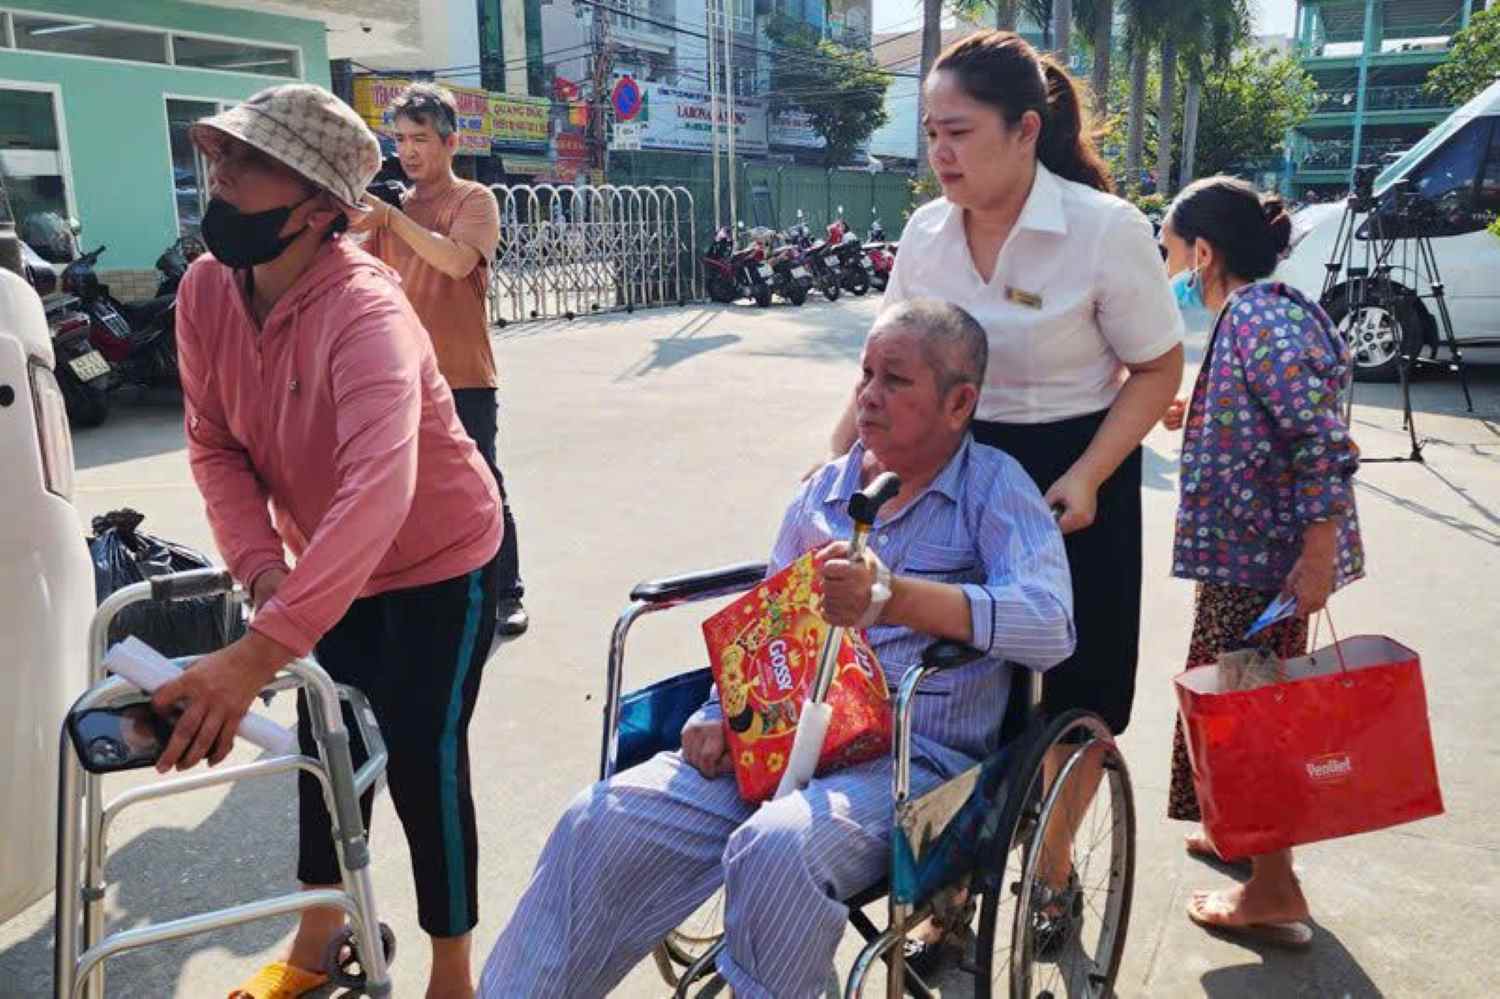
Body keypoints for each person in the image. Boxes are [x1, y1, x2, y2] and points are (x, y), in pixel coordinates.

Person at [479, 299, 1076, 997]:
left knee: (778, 848)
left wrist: (895, 598)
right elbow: (765, 626)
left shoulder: (994, 491)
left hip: (912, 763)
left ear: (959, 402)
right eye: (865, 374)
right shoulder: (826, 490)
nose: (868, 395)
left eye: (894, 380)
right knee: (600, 820)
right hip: (777, 736)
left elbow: (1052, 625)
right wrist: (717, 711)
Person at [152, 84, 502, 999]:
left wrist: (254, 654)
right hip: (324, 563)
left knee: (424, 756)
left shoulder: (366, 313)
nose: (222, 176)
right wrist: (264, 573)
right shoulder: (205, 291)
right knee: (325, 743)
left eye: (251, 161)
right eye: (223, 154)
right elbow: (215, 444)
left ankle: (454, 972)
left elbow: (378, 493)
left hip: (439, 559)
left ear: (319, 208)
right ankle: (319, 936)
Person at [831, 29, 1184, 921]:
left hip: (1075, 477)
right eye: (931, 133)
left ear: (1026, 130)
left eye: (959, 132)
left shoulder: (1103, 230)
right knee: (951, 682)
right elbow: (882, 369)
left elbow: (1156, 368)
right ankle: (950, 876)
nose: (939, 153)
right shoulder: (926, 234)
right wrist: (837, 468)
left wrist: (1092, 473)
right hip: (952, 469)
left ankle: (1053, 865)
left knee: (1079, 687)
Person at [1159, 175, 1364, 947]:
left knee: (1251, 716)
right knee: (1238, 703)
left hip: (1262, 569)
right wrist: (1200, 410)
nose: (1170, 270)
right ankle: (1242, 835)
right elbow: (1274, 415)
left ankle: (1275, 886)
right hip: (1247, 561)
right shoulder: (1262, 314)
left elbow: (1320, 440)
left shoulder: (1257, 320)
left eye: (1171, 253)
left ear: (1204, 254)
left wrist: (1317, 551)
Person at [356, 82, 529, 637]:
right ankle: (426, 594)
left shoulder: (473, 200)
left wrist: (392, 220)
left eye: (421, 139)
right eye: (401, 139)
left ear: (451, 142)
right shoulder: (387, 208)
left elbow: (455, 262)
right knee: (401, 490)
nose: (408, 151)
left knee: (481, 485)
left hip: (462, 374)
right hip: (398, 378)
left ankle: (506, 592)